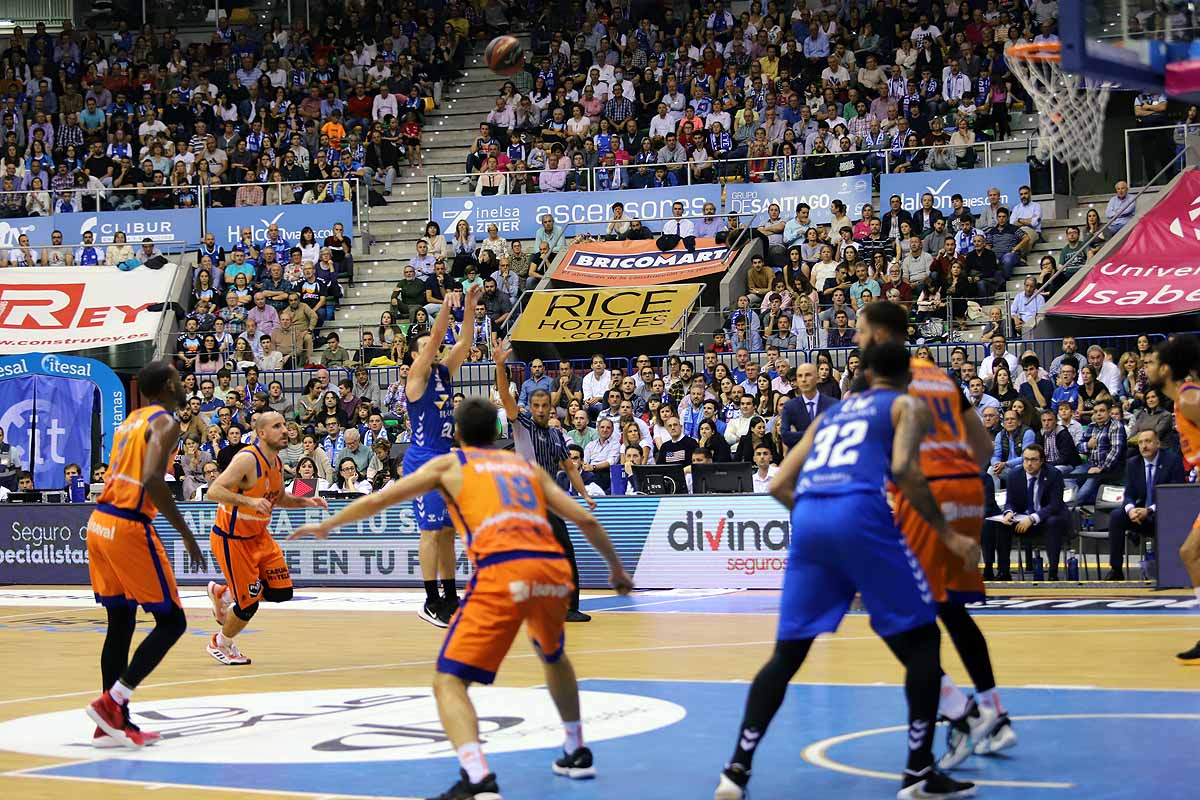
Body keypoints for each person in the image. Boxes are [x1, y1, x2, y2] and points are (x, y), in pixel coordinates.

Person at [290, 397, 632, 800]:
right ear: (497, 434)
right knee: (552, 654)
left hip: (503, 571)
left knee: (449, 680)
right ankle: (576, 749)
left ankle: (477, 778)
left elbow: (381, 498)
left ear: (455, 433)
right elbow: (586, 518)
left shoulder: (450, 465)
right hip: (552, 571)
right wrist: (616, 569)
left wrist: (328, 524)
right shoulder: (526, 467)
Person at [714, 341, 979, 800]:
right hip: (860, 513)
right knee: (923, 640)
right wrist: (950, 536)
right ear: (903, 378)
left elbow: (778, 483)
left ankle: (735, 771)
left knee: (787, 655)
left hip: (810, 520)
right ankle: (919, 771)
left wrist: (822, 520)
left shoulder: (830, 415)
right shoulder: (904, 404)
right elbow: (904, 470)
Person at [853, 302, 1015, 767]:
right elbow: (982, 444)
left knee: (901, 614)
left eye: (863, 331)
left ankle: (959, 717)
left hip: (927, 492)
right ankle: (994, 714)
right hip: (966, 488)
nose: (859, 340)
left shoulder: (878, 379)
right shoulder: (940, 375)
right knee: (950, 608)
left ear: (880, 333)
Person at [84, 361, 204, 748]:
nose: (184, 383)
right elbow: (153, 477)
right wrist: (185, 533)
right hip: (127, 524)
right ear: (170, 384)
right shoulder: (167, 422)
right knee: (172, 622)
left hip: (99, 522)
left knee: (120, 622)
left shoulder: (132, 419)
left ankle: (110, 726)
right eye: (180, 378)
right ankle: (114, 701)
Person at [203, 413, 327, 665]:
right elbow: (214, 491)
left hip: (260, 536)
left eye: (285, 426)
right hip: (232, 538)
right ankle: (221, 642)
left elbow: (279, 497)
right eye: (277, 426)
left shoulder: (277, 462)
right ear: (261, 433)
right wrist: (248, 501)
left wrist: (306, 501)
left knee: (282, 592)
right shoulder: (247, 460)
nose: (285, 431)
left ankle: (224, 595)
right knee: (248, 606)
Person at [494, 344, 593, 622]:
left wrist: (584, 494)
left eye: (543, 406)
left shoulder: (555, 436)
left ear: (551, 407)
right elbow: (504, 395)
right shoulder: (521, 423)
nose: (539, 410)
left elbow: (569, 467)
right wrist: (500, 365)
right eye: (535, 405)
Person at [405, 285, 483, 627]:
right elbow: (438, 337)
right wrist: (445, 308)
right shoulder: (416, 377)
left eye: (432, 348)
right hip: (423, 461)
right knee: (431, 533)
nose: (433, 351)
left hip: (448, 458)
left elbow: (463, 343)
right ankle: (430, 599)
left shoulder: (442, 374)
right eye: (424, 349)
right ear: (415, 355)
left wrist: (468, 306)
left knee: (449, 531)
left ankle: (451, 596)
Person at [1142, 336, 1200, 664]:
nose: (1144, 366)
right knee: (1190, 553)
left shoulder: (1190, 398)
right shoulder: (1180, 401)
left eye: (1150, 362)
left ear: (1165, 369)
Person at [1106, 430, 1186, 581]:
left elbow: (1176, 494)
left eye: (1148, 441)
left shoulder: (1172, 461)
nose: (1144, 446)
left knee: (1166, 519)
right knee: (1117, 516)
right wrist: (1130, 510)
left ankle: (1168, 570)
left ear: (1158, 443)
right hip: (1141, 516)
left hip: (1165, 516)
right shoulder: (1133, 463)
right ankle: (1116, 570)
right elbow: (1128, 493)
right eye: (1141, 442)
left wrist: (1149, 510)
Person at [1001, 444, 1070, 581]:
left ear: (1042, 461)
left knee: (1053, 522)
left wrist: (1032, 518)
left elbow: (1055, 505)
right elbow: (1010, 502)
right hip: (1023, 520)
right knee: (1002, 524)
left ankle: (1053, 572)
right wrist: (1008, 512)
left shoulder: (1053, 474)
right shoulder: (1014, 475)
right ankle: (1003, 572)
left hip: (1048, 518)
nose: (1029, 464)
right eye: (1026, 459)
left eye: (1033, 460)